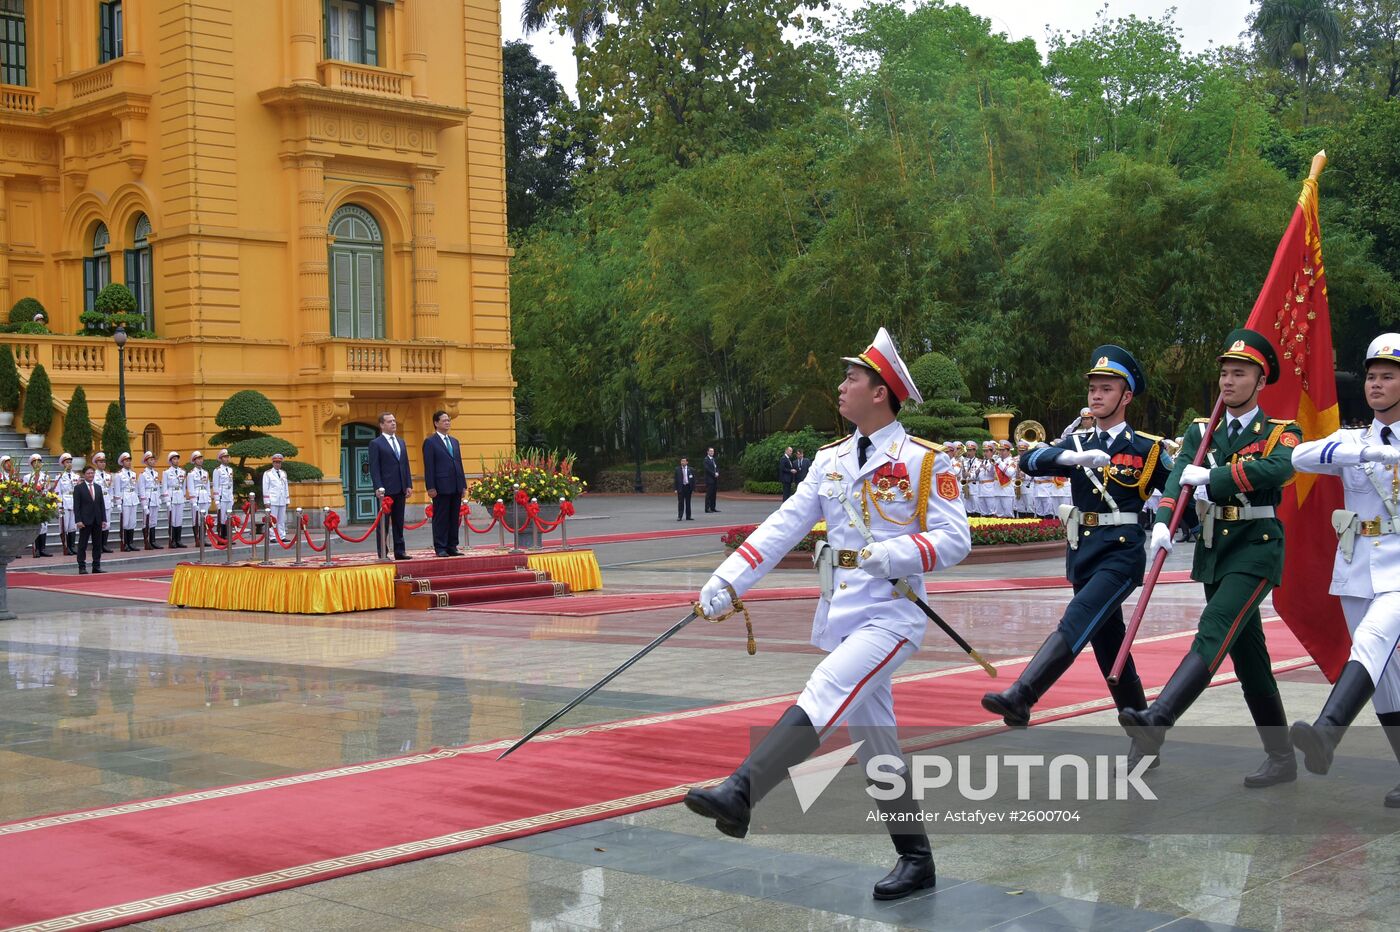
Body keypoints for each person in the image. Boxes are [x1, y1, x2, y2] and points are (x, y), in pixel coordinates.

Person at [685, 327, 971, 901]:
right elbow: (783, 527)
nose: (841, 386)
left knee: (827, 686)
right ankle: (917, 860)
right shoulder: (831, 461)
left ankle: (743, 790)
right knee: (876, 742)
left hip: (894, 615)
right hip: (843, 615)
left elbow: (955, 537)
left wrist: (892, 553)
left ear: (881, 393)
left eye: (852, 378)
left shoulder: (922, 462)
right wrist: (727, 581)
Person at [1123, 328, 1303, 787]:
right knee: (1249, 658)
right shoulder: (1202, 432)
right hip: (1214, 549)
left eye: (1239, 373)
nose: (1228, 381)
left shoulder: (1281, 432)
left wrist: (1218, 475)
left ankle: (1160, 718)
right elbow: (1178, 477)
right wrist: (1164, 520)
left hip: (1256, 548)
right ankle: (1281, 757)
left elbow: (1278, 469)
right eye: (1224, 372)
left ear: (1261, 381)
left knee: (1215, 628)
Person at [983, 346, 1172, 769]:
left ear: (1126, 396)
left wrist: (1162, 521)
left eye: (1107, 389)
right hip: (1083, 553)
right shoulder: (1077, 442)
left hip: (1122, 554)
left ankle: (1023, 695)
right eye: (1093, 388)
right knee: (1110, 649)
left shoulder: (1146, 448)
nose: (1096, 395)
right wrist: (1069, 456)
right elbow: (1027, 460)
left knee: (1078, 617)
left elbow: (1178, 490)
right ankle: (1147, 738)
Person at [1288, 333, 1400, 806]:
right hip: (1357, 567)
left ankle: (1327, 731)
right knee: (1388, 681)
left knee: (1372, 643)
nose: (1376, 385)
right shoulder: (1352, 440)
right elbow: (1299, 456)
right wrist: (1365, 453)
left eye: (1388, 377)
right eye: (1372, 377)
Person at [369, 412, 414, 559]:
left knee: (399, 522)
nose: (393, 423)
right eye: (389, 421)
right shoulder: (376, 443)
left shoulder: (401, 442)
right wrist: (378, 487)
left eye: (394, 421)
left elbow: (405, 465)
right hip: (385, 490)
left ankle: (400, 551)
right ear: (382, 425)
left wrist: (408, 484)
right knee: (383, 523)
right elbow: (374, 468)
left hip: (401, 488)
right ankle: (382, 552)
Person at [421, 410, 466, 557]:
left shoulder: (454, 441)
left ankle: (452, 546)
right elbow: (429, 466)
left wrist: (463, 484)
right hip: (440, 486)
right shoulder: (430, 442)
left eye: (448, 420)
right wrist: (430, 486)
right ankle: (440, 547)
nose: (448, 422)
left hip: (455, 485)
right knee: (441, 517)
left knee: (454, 517)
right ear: (436, 423)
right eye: (444, 420)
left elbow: (458, 463)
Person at [72, 465, 107, 574]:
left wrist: (103, 519)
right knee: (83, 544)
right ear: (84, 475)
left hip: (97, 519)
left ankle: (96, 566)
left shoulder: (98, 487)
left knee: (97, 544)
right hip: (85, 520)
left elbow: (101, 504)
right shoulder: (79, 488)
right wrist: (78, 520)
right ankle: (82, 566)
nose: (90, 475)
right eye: (88, 473)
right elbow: (76, 506)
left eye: (92, 473)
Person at [23, 454, 52, 557]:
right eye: (35, 462)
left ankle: (43, 548)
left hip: (43, 502)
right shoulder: (27, 477)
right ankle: (36, 549)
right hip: (33, 503)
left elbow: (48, 490)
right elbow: (26, 491)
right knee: (35, 526)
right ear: (31, 464)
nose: (38, 464)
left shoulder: (46, 476)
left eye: (39, 462)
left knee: (44, 526)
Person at [112, 452, 140, 551]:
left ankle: (131, 543)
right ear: (122, 462)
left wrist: (137, 497)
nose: (128, 463)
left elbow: (136, 487)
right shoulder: (119, 475)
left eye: (129, 461)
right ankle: (125, 543)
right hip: (125, 498)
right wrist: (118, 503)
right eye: (126, 461)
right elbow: (117, 489)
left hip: (133, 498)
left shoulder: (133, 474)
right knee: (125, 522)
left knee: (132, 522)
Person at [92, 452, 117, 554]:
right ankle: (97, 545)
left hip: (106, 500)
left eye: (104, 462)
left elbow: (111, 489)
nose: (102, 464)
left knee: (107, 524)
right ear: (96, 463)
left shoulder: (108, 475)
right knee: (98, 524)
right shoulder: (93, 475)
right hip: (97, 502)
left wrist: (111, 501)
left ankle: (104, 545)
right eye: (100, 462)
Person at [262, 453, 290, 542]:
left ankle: (282, 536)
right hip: (273, 500)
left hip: (282, 499)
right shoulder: (268, 473)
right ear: (273, 463)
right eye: (276, 462)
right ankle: (272, 536)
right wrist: (266, 501)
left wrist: (287, 499)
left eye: (279, 462)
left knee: (282, 519)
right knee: (273, 519)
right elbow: (265, 487)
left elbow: (286, 487)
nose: (278, 464)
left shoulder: (283, 473)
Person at [138, 452, 163, 550]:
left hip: (155, 498)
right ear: (146, 461)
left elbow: (157, 486)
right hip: (148, 499)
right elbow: (141, 489)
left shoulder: (156, 473)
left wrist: (159, 498)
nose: (153, 461)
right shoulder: (143, 475)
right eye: (150, 460)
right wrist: (144, 504)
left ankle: (153, 541)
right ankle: (147, 541)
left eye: (153, 459)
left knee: (153, 521)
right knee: (146, 521)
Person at [186, 452, 211, 546]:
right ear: (194, 461)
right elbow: (191, 488)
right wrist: (193, 501)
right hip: (196, 497)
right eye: (198, 459)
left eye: (201, 458)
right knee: (196, 520)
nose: (200, 460)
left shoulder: (205, 472)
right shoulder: (191, 474)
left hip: (204, 496)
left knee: (204, 519)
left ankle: (203, 539)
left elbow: (207, 486)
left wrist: (209, 498)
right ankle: (197, 540)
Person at [163, 452, 187, 548]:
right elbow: (164, 487)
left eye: (177, 459)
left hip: (180, 496)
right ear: (170, 461)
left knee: (179, 519)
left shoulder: (182, 472)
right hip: (171, 495)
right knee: (172, 520)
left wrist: (184, 497)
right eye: (174, 459)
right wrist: (167, 499)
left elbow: (184, 486)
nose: (176, 461)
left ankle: (178, 540)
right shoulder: (166, 472)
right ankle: (172, 540)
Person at [56, 453, 77, 556]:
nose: (69, 464)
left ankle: (72, 546)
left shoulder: (76, 476)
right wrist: (59, 506)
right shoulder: (59, 476)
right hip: (64, 502)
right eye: (67, 462)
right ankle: (66, 547)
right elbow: (58, 492)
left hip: (74, 503)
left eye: (70, 462)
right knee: (64, 526)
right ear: (63, 464)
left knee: (73, 526)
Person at [212, 449, 235, 543]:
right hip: (222, 496)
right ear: (221, 459)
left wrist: (232, 496)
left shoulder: (230, 470)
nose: (227, 459)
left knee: (228, 517)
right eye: (224, 457)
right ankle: (221, 538)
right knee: (221, 518)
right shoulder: (217, 470)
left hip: (229, 495)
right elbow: (215, 485)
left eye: (227, 457)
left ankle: (227, 537)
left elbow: (231, 483)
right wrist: (217, 499)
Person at [674, 457, 695, 521]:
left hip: (688, 487)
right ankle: (680, 516)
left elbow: (693, 479)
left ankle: (688, 516)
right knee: (681, 502)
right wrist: (675, 488)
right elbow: (675, 480)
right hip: (681, 487)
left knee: (688, 502)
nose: (683, 462)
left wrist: (693, 488)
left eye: (684, 461)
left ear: (687, 462)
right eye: (681, 461)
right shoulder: (677, 469)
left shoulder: (691, 469)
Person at [703, 447, 721, 513]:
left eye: (713, 451)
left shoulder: (714, 459)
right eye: (710, 451)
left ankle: (713, 507)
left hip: (715, 479)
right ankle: (707, 508)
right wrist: (714, 474)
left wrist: (718, 473)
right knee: (709, 494)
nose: (712, 453)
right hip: (709, 479)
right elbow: (707, 469)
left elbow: (717, 467)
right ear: (707, 452)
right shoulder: (706, 460)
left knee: (714, 494)